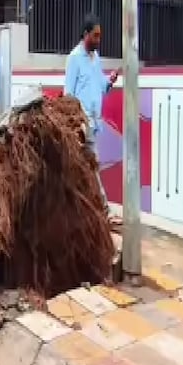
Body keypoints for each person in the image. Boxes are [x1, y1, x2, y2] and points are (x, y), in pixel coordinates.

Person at [64, 14, 118, 215]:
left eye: (99, 36)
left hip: (95, 123)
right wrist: (74, 122)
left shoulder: (96, 59)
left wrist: (109, 81)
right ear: (85, 34)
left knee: (86, 167)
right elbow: (69, 93)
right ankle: (103, 209)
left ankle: (86, 208)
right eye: (95, 35)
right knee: (92, 165)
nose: (98, 39)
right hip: (82, 123)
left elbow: (100, 86)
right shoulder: (74, 59)